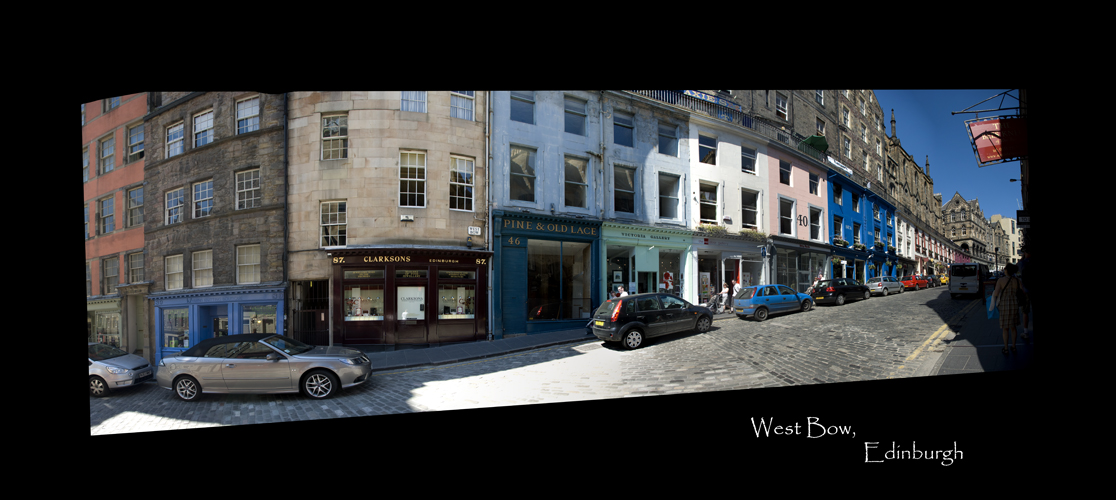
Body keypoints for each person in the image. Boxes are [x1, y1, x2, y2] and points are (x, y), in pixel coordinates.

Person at [991, 262, 1022, 355]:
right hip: (1014, 304)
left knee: (1005, 328)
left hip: (1004, 305)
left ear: (1007, 270)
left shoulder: (1001, 280)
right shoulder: (1017, 280)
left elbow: (996, 294)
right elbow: (1022, 291)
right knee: (1013, 327)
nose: (1004, 270)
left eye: (1005, 268)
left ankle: (1005, 348)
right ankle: (1013, 346)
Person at [1017, 246, 1031, 340]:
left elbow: (1017, 274)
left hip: (1025, 290)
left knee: (1025, 311)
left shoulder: (1022, 263)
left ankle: (1025, 332)